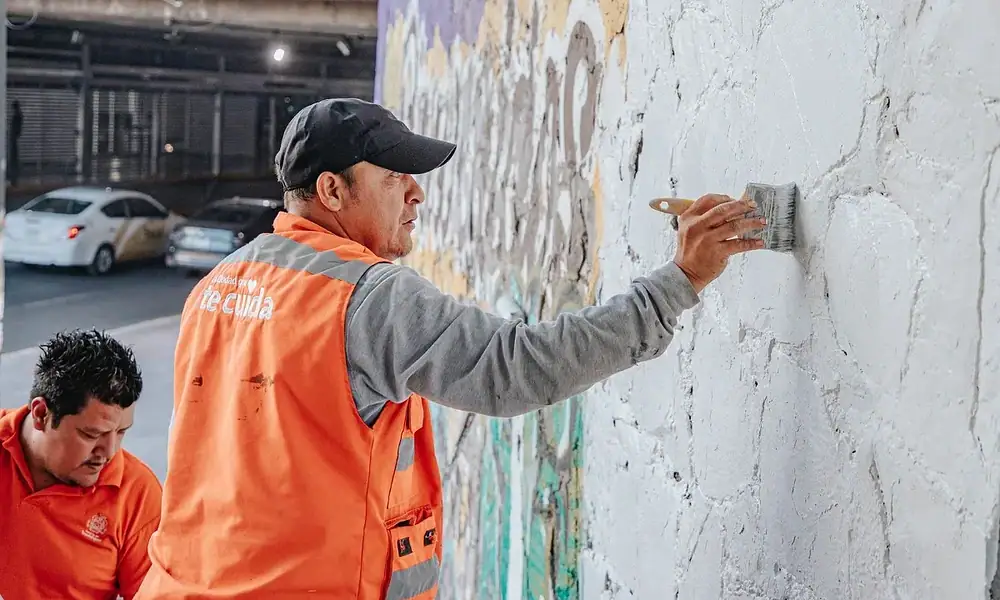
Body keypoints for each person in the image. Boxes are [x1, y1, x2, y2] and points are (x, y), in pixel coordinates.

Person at [137, 98, 766, 599]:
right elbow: (516, 369)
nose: (417, 194)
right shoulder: (364, 296)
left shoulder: (221, 283)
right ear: (332, 190)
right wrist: (678, 284)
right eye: (393, 177)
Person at [0, 329, 162, 600]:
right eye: (92, 434)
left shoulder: (138, 495)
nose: (109, 452)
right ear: (41, 414)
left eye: (121, 432)